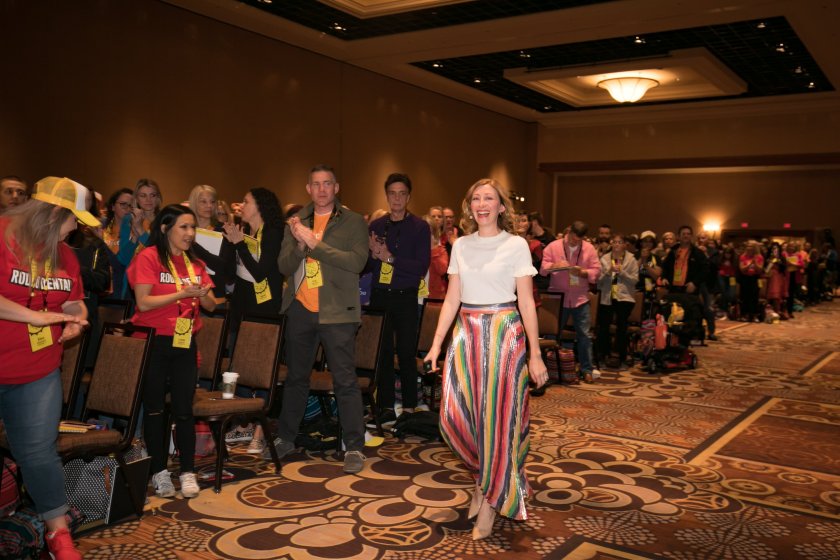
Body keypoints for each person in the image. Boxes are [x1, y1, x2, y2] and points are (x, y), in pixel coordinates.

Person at [423, 178, 547, 541]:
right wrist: (436, 345)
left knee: (498, 419)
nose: (481, 204)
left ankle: (491, 500)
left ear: (501, 207)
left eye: (489, 198)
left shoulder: (516, 245)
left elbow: (526, 302)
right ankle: (484, 480)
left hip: (504, 334)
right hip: (466, 335)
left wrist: (536, 354)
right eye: (476, 198)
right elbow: (452, 298)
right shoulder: (461, 245)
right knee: (460, 416)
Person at [0, 176, 100, 560]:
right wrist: (36, 317)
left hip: (38, 370)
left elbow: (72, 300)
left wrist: (77, 318)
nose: (76, 228)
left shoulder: (65, 255)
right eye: (74, 219)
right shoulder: (4, 236)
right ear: (55, 213)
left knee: (40, 454)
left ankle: (59, 536)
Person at [270, 164, 369, 474]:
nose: (322, 189)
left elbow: (357, 262)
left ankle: (354, 446)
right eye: (316, 184)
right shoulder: (296, 222)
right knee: (296, 378)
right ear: (308, 189)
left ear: (336, 188)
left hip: (337, 312)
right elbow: (284, 266)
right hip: (301, 308)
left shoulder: (353, 221)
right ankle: (286, 437)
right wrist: (300, 245)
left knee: (345, 380)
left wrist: (315, 244)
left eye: (328, 184)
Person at [127, 204, 216, 499]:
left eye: (193, 228)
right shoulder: (148, 257)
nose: (190, 233)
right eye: (184, 227)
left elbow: (211, 304)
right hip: (153, 342)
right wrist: (182, 292)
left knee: (184, 409)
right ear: (166, 228)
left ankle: (188, 471)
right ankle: (159, 472)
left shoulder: (195, 263)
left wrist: (203, 294)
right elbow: (143, 302)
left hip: (184, 341)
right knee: (154, 409)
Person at [367, 173, 431, 424]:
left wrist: (390, 258)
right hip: (380, 296)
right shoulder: (376, 225)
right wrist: (372, 256)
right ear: (386, 196)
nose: (397, 198)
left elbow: (420, 267)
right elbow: (367, 267)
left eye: (401, 193)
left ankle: (409, 408)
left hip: (406, 297)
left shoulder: (419, 227)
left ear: (408, 197)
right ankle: (384, 406)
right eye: (392, 193)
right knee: (382, 354)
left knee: (405, 353)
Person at [540, 220, 602, 381]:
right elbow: (543, 269)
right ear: (569, 231)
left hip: (580, 298)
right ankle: (547, 370)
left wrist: (583, 273)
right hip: (558, 298)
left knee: (584, 335)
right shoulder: (553, 246)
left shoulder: (589, 249)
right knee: (552, 336)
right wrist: (555, 265)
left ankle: (586, 369)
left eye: (579, 239)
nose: (575, 241)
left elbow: (596, 271)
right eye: (573, 237)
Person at [595, 234, 639, 370]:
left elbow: (635, 280)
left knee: (622, 326)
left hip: (624, 297)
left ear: (625, 244)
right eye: (614, 242)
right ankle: (603, 355)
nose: (617, 244)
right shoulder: (604, 258)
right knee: (603, 326)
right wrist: (609, 271)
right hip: (608, 296)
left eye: (620, 242)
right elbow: (598, 281)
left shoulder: (631, 259)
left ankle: (620, 356)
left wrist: (622, 273)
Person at [661, 225, 709, 343]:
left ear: (691, 236)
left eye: (688, 234)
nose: (686, 236)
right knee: (672, 316)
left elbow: (705, 270)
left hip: (689, 290)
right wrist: (664, 278)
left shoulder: (697, 252)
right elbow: (665, 267)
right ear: (679, 236)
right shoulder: (673, 251)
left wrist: (695, 283)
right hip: (674, 289)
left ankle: (686, 342)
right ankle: (672, 341)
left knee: (689, 317)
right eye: (683, 234)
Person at [188, 184, 234, 300]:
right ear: (194, 203)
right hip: (186, 291)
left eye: (212, 202)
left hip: (215, 293)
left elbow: (224, 267)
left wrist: (194, 245)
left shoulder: (223, 230)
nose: (209, 206)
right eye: (203, 202)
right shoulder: (185, 229)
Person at [117, 178, 162, 283]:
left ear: (158, 198)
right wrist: (135, 237)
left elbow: (160, 253)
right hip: (133, 278)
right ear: (136, 199)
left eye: (152, 195)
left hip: (158, 277)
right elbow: (123, 259)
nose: (148, 200)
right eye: (143, 196)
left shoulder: (164, 220)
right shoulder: (128, 219)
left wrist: (140, 230)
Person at [101, 188, 134, 298]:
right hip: (106, 286)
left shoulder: (138, 231)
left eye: (131, 205)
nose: (128, 209)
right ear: (113, 207)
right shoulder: (101, 229)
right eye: (123, 204)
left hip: (128, 288)